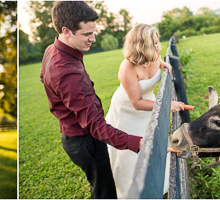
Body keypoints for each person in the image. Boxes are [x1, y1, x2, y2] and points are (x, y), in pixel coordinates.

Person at [40, 1, 167, 198]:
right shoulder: (66, 72)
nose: (93, 38)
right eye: (86, 34)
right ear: (66, 31)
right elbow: (96, 127)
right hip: (86, 141)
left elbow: (44, 78)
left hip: (77, 133)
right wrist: (138, 142)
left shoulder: (53, 50)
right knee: (105, 192)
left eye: (93, 32)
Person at [105, 23, 185, 198]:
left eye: (158, 42)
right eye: (154, 43)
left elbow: (156, 61)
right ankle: (131, 193)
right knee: (130, 152)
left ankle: (160, 183)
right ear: (141, 45)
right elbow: (136, 103)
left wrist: (163, 64)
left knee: (153, 140)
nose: (158, 47)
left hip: (148, 103)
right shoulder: (127, 67)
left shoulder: (154, 55)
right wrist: (165, 105)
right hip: (128, 109)